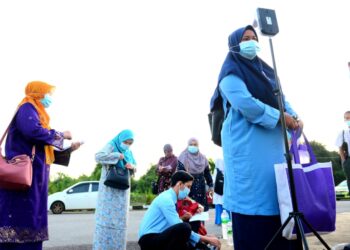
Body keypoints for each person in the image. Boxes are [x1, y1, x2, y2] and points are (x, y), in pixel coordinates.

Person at [211, 25, 302, 249]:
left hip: (276, 149)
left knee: (279, 198)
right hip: (248, 151)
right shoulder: (230, 74)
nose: (251, 42)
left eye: (254, 38)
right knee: (255, 204)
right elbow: (246, 104)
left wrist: (295, 117)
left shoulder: (267, 73)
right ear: (234, 45)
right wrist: (281, 117)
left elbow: (282, 99)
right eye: (245, 39)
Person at [0, 81, 80, 250]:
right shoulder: (27, 107)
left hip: (34, 179)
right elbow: (33, 132)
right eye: (47, 93)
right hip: (23, 179)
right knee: (20, 218)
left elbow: (42, 150)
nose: (49, 98)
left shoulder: (37, 112)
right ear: (37, 93)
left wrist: (68, 149)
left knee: (32, 219)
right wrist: (60, 135)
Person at [138, 170, 221, 250]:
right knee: (184, 227)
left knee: (188, 227)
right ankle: (202, 246)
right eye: (188, 187)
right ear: (180, 184)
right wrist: (205, 239)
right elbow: (178, 226)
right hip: (149, 240)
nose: (189, 190)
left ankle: (202, 247)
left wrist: (203, 238)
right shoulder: (166, 199)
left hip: (157, 236)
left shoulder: (171, 198)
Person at [93, 129, 136, 250]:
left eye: (130, 143)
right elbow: (98, 156)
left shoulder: (129, 152)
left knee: (120, 224)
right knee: (105, 223)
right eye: (125, 142)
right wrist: (117, 156)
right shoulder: (112, 145)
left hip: (122, 193)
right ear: (120, 139)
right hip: (109, 193)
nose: (127, 145)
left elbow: (135, 166)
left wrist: (131, 166)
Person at [178, 138, 214, 212]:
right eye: (191, 144)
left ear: (198, 146)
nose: (193, 146)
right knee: (189, 211)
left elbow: (207, 173)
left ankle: (201, 223)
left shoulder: (203, 158)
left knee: (201, 210)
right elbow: (179, 175)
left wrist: (210, 185)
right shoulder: (183, 157)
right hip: (188, 189)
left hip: (201, 187)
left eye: (195, 145)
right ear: (187, 145)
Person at [335, 111, 350, 195]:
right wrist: (344, 161)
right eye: (346, 118)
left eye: (349, 118)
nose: (347, 120)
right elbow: (340, 148)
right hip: (348, 161)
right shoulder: (343, 133)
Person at [212, 158, 229, 225]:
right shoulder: (227, 170)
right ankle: (227, 220)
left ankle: (218, 221)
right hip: (225, 194)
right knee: (226, 207)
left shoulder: (216, 171)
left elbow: (213, 181)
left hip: (217, 194)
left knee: (218, 208)